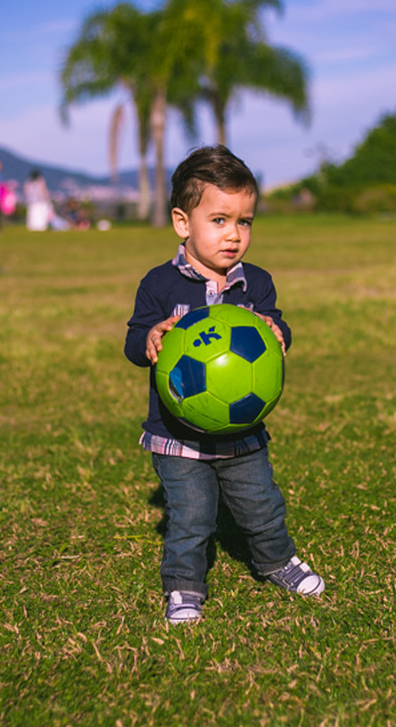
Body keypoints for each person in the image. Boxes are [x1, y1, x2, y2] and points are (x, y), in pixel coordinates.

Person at [124, 145, 325, 624]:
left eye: (245, 221)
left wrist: (280, 333)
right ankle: (184, 587)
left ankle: (276, 560)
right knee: (192, 517)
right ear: (182, 222)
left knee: (261, 504)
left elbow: (278, 328)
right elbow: (134, 344)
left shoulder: (255, 284)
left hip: (242, 431)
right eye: (219, 220)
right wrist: (150, 337)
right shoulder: (160, 284)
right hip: (178, 436)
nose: (234, 235)